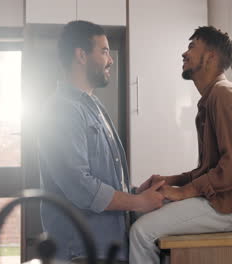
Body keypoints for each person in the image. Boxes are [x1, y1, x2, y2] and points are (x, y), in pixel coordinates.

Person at [130, 26, 232, 264]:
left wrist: (183, 192)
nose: (184, 53)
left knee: (141, 232)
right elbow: (209, 170)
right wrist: (170, 181)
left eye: (192, 47)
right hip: (222, 201)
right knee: (138, 211)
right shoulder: (212, 98)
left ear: (211, 56)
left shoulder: (224, 96)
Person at [38, 20, 165, 263]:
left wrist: (135, 191)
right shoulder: (62, 110)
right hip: (82, 253)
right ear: (81, 56)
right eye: (104, 51)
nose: (111, 59)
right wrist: (138, 202)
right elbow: (80, 186)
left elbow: (104, 180)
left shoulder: (94, 106)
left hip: (105, 249)